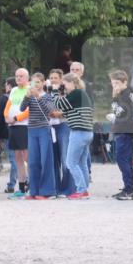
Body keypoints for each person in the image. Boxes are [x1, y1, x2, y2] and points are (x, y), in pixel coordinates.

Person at [53, 72, 94, 200]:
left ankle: (81, 190)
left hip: (79, 132)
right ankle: (84, 190)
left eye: (64, 84)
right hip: (87, 132)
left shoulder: (76, 93)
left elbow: (58, 105)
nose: (63, 87)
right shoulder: (81, 94)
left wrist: (55, 91)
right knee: (81, 163)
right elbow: (66, 111)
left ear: (72, 83)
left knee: (70, 162)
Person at [20, 72, 57, 199]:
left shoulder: (47, 96)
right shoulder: (30, 96)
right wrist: (27, 97)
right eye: (33, 82)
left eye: (37, 82)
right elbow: (21, 109)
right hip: (31, 130)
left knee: (45, 160)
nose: (35, 85)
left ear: (42, 83)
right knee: (33, 161)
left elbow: (50, 111)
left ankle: (47, 191)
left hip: (43, 129)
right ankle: (34, 191)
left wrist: (39, 97)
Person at [108, 70, 133, 200]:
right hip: (123, 129)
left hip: (125, 130)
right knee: (126, 160)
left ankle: (129, 189)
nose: (114, 86)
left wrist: (115, 101)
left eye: (116, 83)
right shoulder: (125, 93)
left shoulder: (127, 94)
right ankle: (129, 188)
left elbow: (120, 111)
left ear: (124, 82)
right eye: (113, 83)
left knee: (122, 159)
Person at [46, 69, 73, 197]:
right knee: (53, 158)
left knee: (64, 157)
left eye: (55, 77)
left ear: (61, 79)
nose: (53, 80)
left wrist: (58, 113)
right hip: (51, 127)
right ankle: (55, 187)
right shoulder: (47, 92)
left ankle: (67, 188)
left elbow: (68, 107)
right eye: (51, 77)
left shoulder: (65, 92)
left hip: (63, 125)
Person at [4, 68, 31, 198]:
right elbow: (8, 106)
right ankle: (21, 187)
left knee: (27, 157)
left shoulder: (30, 90)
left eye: (21, 76)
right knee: (17, 158)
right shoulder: (14, 90)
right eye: (16, 76)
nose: (18, 78)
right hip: (13, 127)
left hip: (24, 126)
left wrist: (15, 119)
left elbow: (29, 110)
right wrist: (6, 117)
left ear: (27, 78)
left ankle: (32, 185)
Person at [0, 77, 15, 193]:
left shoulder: (4, 99)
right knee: (22, 159)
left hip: (7, 132)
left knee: (13, 159)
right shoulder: (23, 97)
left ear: (9, 86)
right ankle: (26, 180)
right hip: (22, 130)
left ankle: (12, 184)